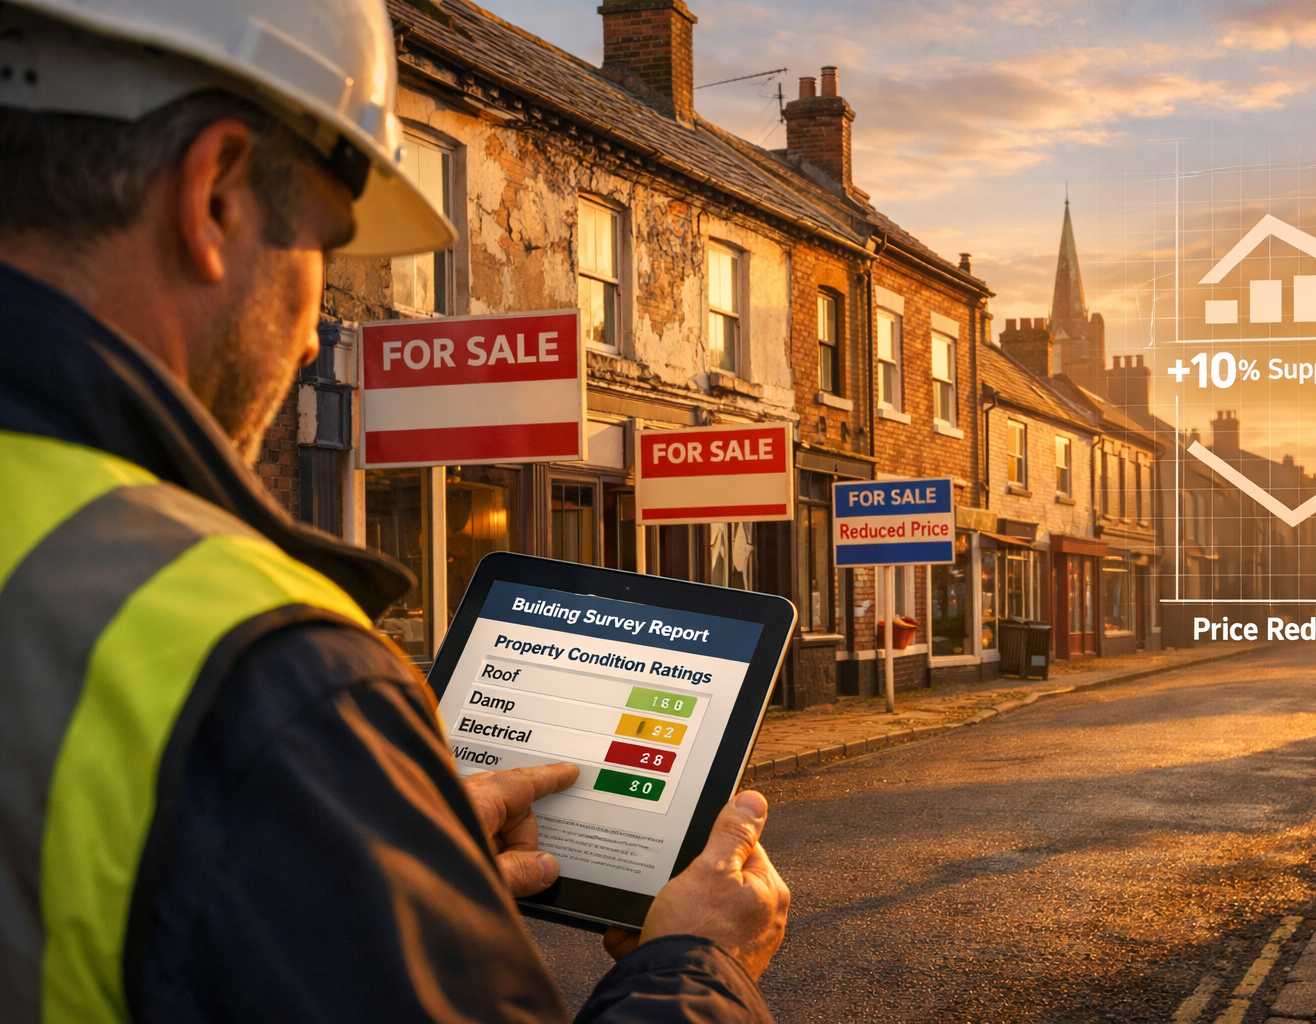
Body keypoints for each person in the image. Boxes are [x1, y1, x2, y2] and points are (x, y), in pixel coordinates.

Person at [0, 1, 789, 1021]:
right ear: (215, 197)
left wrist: (357, 841)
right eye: (325, 251)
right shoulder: (266, 674)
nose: (302, 342)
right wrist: (693, 964)